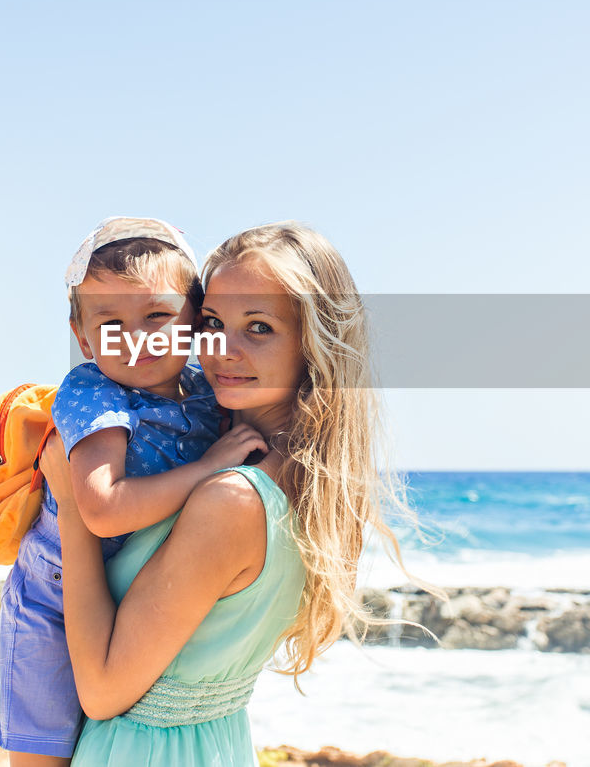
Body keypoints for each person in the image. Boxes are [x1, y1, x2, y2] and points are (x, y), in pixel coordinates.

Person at [42, 221, 415, 766]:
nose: (222, 350)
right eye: (213, 322)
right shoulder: (304, 480)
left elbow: (101, 691)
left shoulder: (232, 500)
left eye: (258, 327)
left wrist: (72, 506)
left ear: (313, 343)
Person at [0, 216, 267, 767]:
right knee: (42, 755)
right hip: (53, 601)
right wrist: (209, 466)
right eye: (111, 321)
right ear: (82, 335)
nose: (136, 338)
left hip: (122, 593)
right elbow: (103, 508)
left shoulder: (204, 393)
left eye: (159, 316)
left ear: (196, 320)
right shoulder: (95, 393)